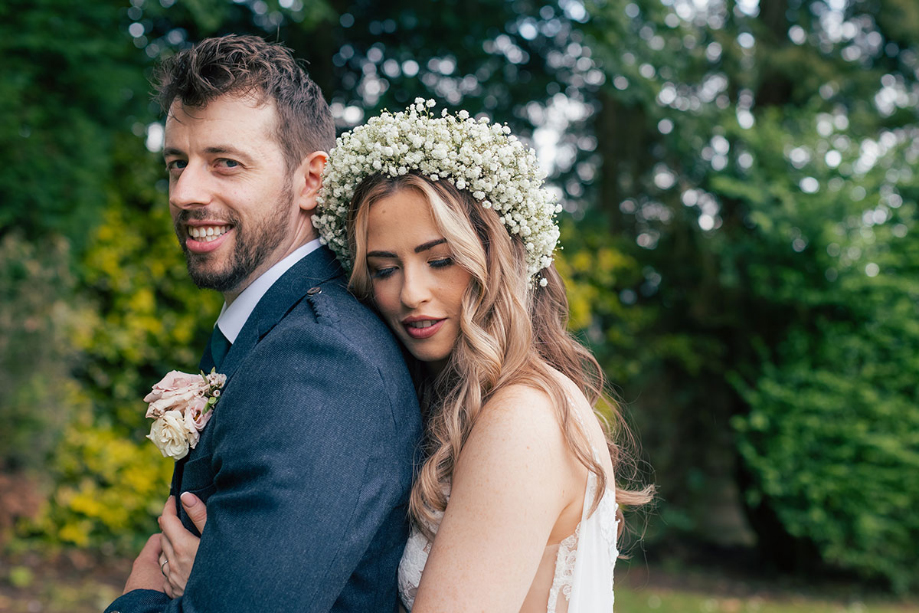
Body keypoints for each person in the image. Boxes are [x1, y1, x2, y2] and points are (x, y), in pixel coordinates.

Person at [162, 99, 653, 612]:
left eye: (439, 260)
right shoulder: (460, 406)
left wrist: (224, 589)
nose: (411, 292)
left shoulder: (522, 418)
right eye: (383, 269)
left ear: (497, 258)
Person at [105, 36, 421, 613]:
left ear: (311, 181)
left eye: (225, 163)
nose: (184, 193)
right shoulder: (270, 326)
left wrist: (139, 598)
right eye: (177, 163)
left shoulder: (324, 362)